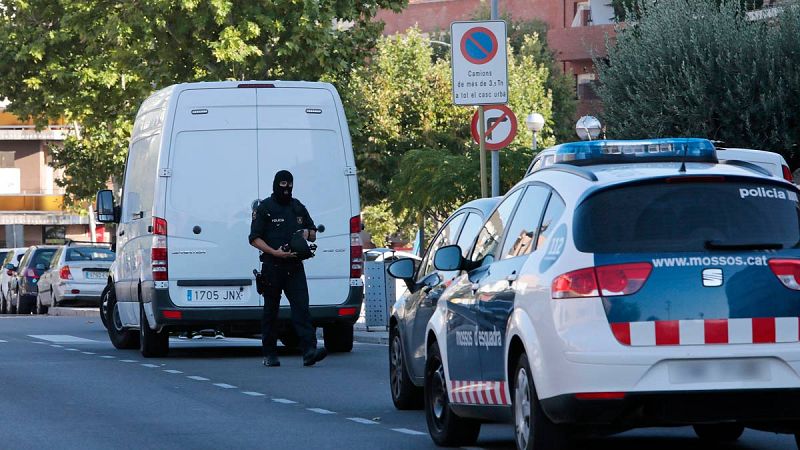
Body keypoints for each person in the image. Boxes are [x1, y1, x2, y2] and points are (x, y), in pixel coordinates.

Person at [249, 170, 327, 367]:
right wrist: (274, 252)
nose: (286, 189)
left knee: (302, 310)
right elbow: (254, 238)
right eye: (283, 185)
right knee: (271, 312)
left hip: (294, 266)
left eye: (289, 185)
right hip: (272, 266)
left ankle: (309, 351)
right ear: (276, 184)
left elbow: (313, 235)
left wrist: (304, 234)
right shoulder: (265, 208)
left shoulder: (297, 206)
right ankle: (270, 354)